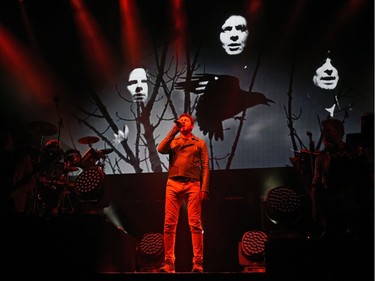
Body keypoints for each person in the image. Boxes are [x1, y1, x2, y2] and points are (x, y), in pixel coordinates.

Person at [157, 113, 210, 273]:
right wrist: (173, 129)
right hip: (173, 183)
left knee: (195, 224)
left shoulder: (199, 143)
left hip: (193, 184)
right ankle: (169, 263)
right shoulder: (174, 142)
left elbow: (206, 166)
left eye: (186, 120)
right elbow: (160, 149)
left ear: (192, 126)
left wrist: (204, 188)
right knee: (169, 225)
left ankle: (198, 263)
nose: (183, 122)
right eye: (181, 120)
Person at [310, 118, 373, 240]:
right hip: (334, 208)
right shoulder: (322, 157)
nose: (324, 134)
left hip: (356, 206)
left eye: (328, 130)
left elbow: (365, 177)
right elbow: (316, 184)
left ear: (339, 132)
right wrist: (315, 208)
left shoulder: (354, 152)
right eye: (323, 131)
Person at [0, 125, 36, 215]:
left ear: (13, 140)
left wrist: (17, 190)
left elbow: (32, 183)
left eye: (5, 138)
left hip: (15, 206)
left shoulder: (22, 158)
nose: (2, 140)